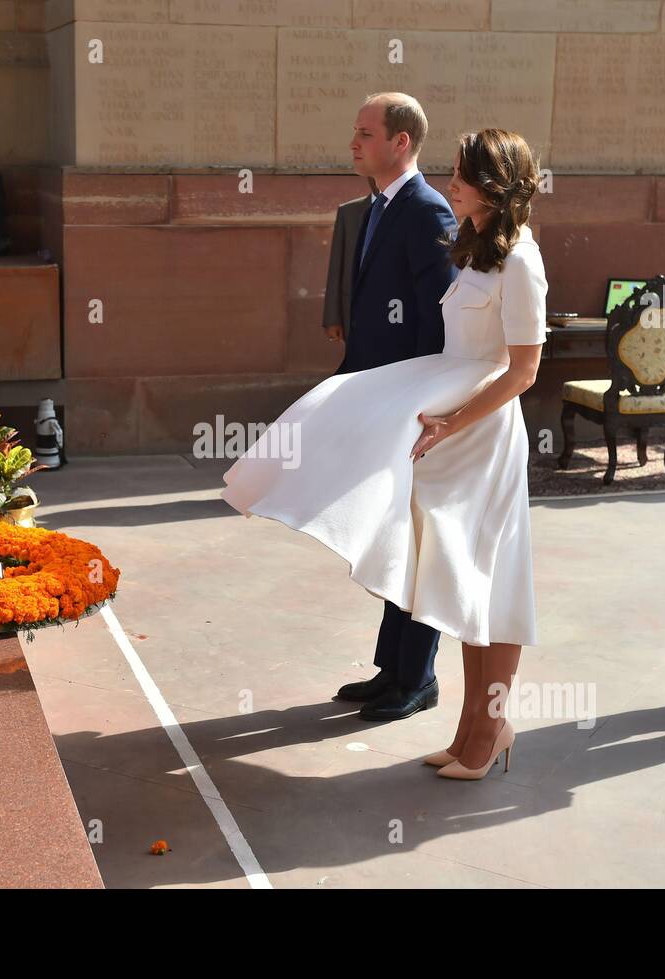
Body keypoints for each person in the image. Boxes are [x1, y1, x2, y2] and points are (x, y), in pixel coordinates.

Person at [222, 128, 545, 781]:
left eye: (462, 175)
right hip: (449, 432)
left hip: (480, 435)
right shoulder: (478, 252)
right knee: (460, 581)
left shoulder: (520, 260)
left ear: (494, 183)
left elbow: (524, 371)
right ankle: (471, 731)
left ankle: (488, 731)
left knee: (493, 582)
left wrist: (452, 419)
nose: (450, 182)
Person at [311, 93, 459, 723]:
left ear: (401, 141)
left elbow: (438, 320)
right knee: (391, 535)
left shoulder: (427, 211)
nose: (354, 143)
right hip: (376, 393)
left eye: (366, 133)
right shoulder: (378, 206)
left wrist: (422, 406)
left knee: (418, 540)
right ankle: (391, 668)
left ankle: (418, 677)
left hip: (409, 404)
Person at [321, 177, 374, 347]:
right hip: (352, 313)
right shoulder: (349, 212)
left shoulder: (409, 210)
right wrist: (332, 318)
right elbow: (337, 266)